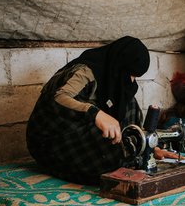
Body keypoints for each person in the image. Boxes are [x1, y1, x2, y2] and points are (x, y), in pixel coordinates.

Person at [26, 36, 176, 185]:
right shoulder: (86, 71)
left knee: (128, 100)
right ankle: (118, 160)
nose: (131, 80)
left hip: (79, 136)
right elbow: (59, 98)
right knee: (112, 155)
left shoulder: (113, 79)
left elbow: (128, 123)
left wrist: (148, 148)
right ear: (118, 64)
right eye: (130, 74)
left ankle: (137, 152)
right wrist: (96, 114)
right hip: (50, 140)